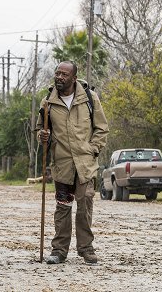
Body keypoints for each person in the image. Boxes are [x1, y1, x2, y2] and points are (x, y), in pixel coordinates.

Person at [37, 61, 109, 265]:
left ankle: (86, 248)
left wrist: (93, 149)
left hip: (85, 163)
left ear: (74, 78)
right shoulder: (48, 103)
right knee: (63, 206)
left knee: (85, 200)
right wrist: (44, 137)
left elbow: (102, 128)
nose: (59, 77)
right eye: (57, 73)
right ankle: (59, 250)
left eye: (64, 74)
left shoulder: (89, 98)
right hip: (62, 164)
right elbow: (40, 130)